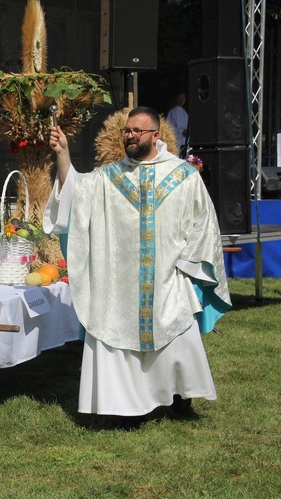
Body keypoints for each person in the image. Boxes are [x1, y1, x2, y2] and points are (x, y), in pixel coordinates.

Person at [43, 106, 231, 418]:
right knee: (116, 331)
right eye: (127, 131)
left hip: (168, 275)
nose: (130, 136)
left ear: (155, 135)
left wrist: (188, 263)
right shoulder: (109, 177)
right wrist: (63, 154)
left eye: (137, 131)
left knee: (176, 332)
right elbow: (76, 194)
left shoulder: (183, 176)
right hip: (120, 281)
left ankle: (179, 397)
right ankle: (123, 405)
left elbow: (204, 223)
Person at [166, 92, 189, 156]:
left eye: (183, 98)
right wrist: (181, 131)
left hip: (185, 141)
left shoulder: (185, 113)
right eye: (180, 98)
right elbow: (169, 127)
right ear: (177, 99)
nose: (181, 100)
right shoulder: (172, 112)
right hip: (177, 141)